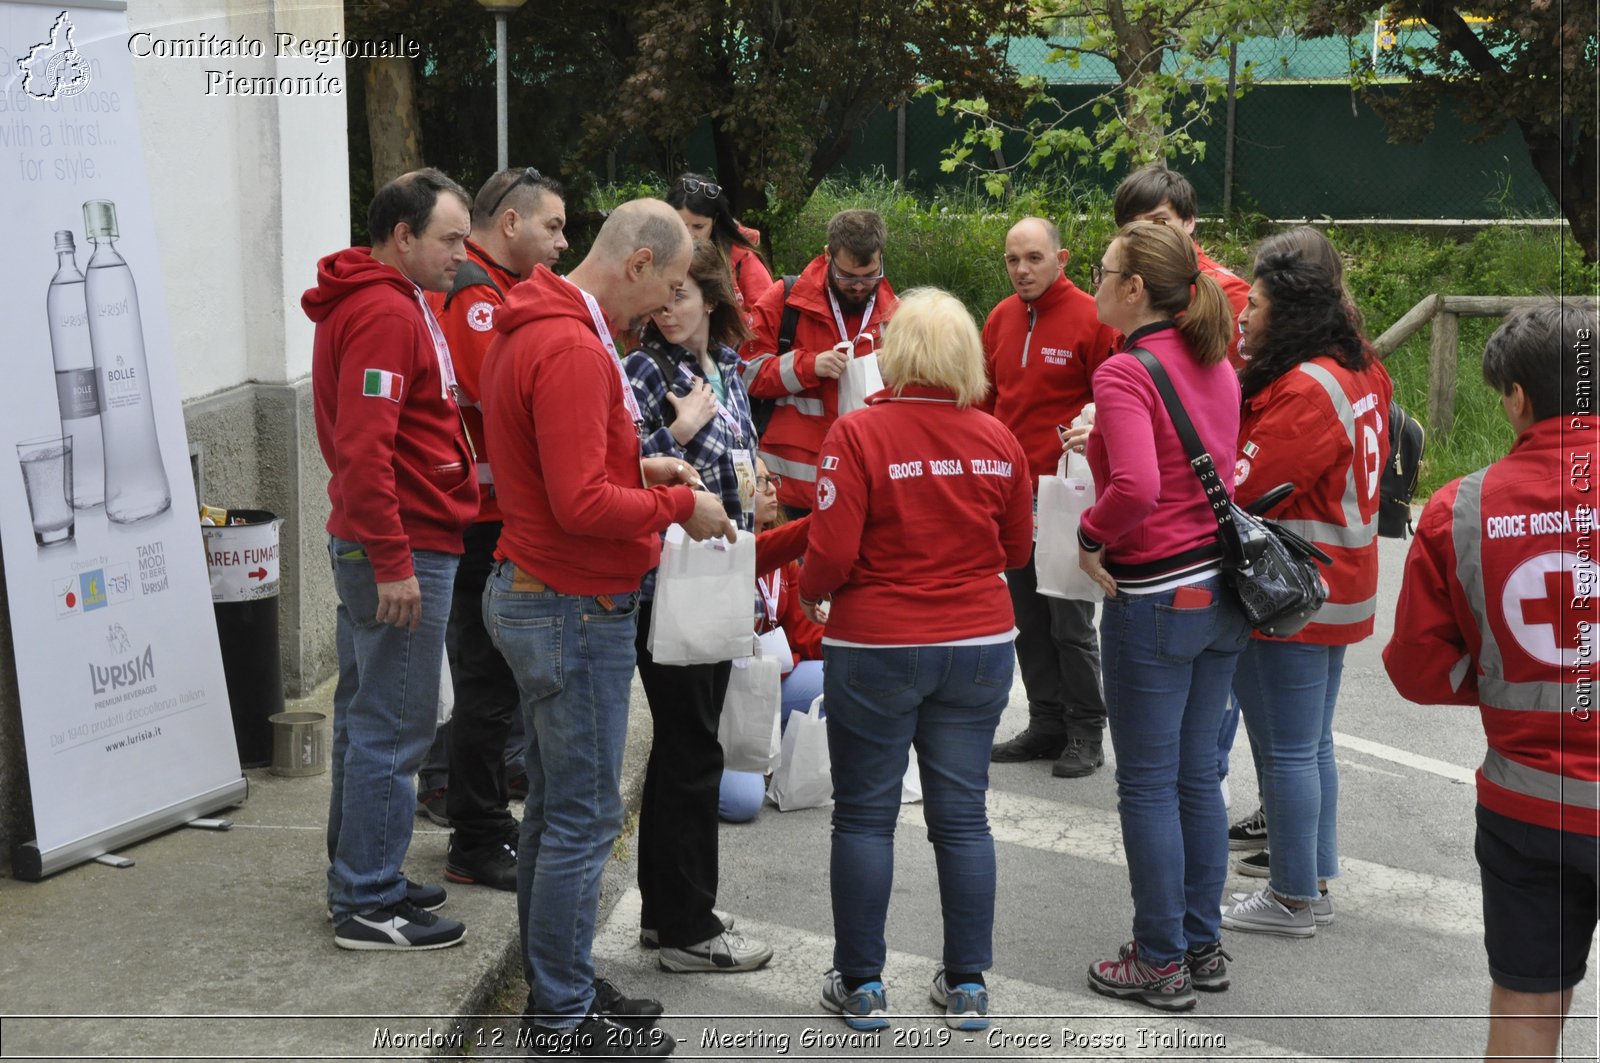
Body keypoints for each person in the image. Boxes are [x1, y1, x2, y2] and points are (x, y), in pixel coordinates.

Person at [480, 198, 735, 1056]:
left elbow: (569, 466)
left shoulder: (544, 327)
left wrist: (640, 460)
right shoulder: (573, 347)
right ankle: (559, 1016)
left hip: (548, 592)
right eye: (665, 287)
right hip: (570, 602)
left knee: (557, 813)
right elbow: (580, 502)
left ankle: (565, 988)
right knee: (582, 820)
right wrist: (677, 502)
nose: (666, 308)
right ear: (636, 265)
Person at [797, 288, 1033, 1033]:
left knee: (864, 815)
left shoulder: (858, 432)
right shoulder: (999, 437)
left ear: (894, 354)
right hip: (979, 641)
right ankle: (967, 984)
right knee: (963, 818)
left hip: (877, 641)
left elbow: (830, 552)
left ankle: (862, 983)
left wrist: (808, 595)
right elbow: (1019, 550)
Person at [1385, 301, 1598, 1063]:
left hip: (1529, 806)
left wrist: (1506, 675)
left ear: (1517, 396)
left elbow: (1415, 668)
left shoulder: (1460, 508)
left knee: (1526, 1006)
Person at [1066, 221, 1248, 1011]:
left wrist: (1088, 534)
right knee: (1195, 778)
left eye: (1103, 271)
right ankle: (1199, 943)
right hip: (1220, 590)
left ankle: (1160, 960)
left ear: (1135, 288)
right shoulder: (1213, 357)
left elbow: (1137, 487)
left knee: (1144, 785)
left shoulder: (1123, 371)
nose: (1095, 283)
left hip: (1155, 595)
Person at [303, 168, 478, 950]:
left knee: (364, 717)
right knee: (394, 726)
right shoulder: (382, 310)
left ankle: (361, 872)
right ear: (402, 237)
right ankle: (368, 898)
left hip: (389, 538)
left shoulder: (390, 300)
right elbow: (366, 450)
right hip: (401, 544)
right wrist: (394, 559)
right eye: (449, 239)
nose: (462, 254)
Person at [1218, 239, 1393, 938]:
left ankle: (1290, 896)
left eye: (1254, 306)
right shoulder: (1360, 365)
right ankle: (1312, 879)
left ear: (1287, 313)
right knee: (1311, 742)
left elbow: (1246, 485)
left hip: (1294, 590)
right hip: (1342, 578)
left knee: (1287, 748)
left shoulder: (1305, 387)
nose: (1243, 318)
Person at [415, 166, 569, 892]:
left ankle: (480, 815)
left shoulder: (492, 288)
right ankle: (476, 833)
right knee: (486, 683)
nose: (563, 244)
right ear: (510, 224)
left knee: (492, 682)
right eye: (553, 226)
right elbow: (507, 395)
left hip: (490, 519)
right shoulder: (476, 294)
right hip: (481, 524)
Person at [622, 239, 773, 972]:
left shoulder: (727, 369)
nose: (667, 306)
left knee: (688, 747)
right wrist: (673, 434)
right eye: (662, 294)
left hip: (723, 573)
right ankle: (688, 925)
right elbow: (613, 464)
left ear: (713, 298)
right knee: (690, 751)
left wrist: (759, 489)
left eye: (682, 293)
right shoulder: (644, 367)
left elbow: (738, 458)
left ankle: (666, 911)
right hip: (669, 584)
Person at [981, 216, 1118, 778]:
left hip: (1069, 492)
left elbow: (1116, 399)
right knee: (1027, 618)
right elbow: (987, 402)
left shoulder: (1092, 317)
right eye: (1013, 259)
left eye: (1034, 258)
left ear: (1060, 260)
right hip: (1013, 494)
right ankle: (1046, 723)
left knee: (1070, 618)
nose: (1021, 270)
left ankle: (1086, 730)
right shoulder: (1000, 318)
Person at [740, 209, 897, 514]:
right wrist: (808, 367)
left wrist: (897, 370)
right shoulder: (785, 299)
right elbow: (745, 373)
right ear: (828, 256)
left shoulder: (898, 316)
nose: (859, 286)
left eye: (870, 276)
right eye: (847, 276)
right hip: (788, 492)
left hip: (863, 490)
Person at [717, 457, 825, 824]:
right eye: (760, 482)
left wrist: (848, 635)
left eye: (771, 479)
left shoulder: (782, 558)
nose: (772, 489)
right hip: (726, 698)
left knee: (839, 675)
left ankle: (771, 755)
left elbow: (803, 633)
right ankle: (704, 763)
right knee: (742, 804)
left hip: (770, 685)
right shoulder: (717, 550)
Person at [1112, 164, 1250, 367]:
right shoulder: (1119, 284)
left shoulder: (1230, 294)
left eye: (1159, 221)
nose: (1146, 232)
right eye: (1132, 225)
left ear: (1189, 222)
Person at [666, 173, 776, 321]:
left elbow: (769, 317)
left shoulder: (742, 260)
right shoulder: (655, 255)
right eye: (681, 225)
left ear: (715, 221)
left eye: (698, 226)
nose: (689, 235)